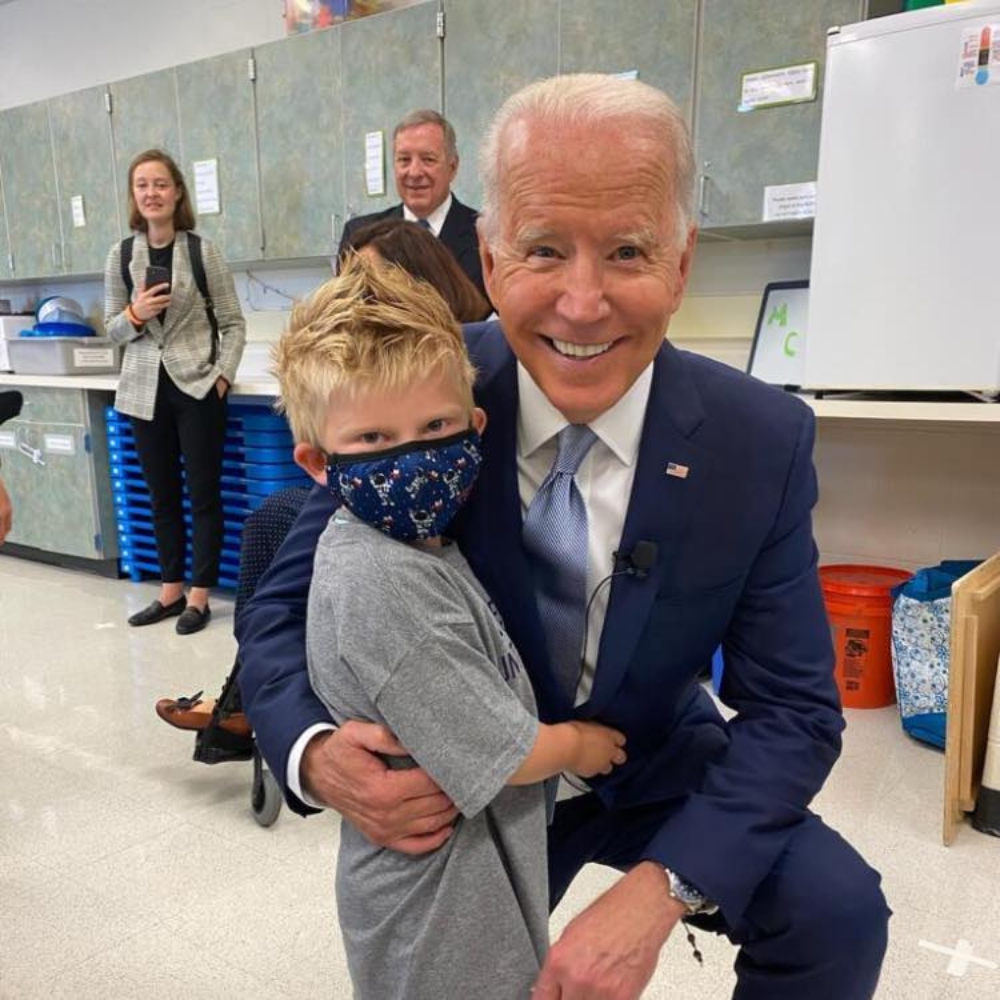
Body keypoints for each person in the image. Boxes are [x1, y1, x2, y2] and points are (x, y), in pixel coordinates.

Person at [238, 74, 891, 1000]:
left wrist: (665, 886)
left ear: (682, 262)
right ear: (493, 260)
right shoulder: (421, 395)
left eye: (628, 251)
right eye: (545, 250)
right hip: (465, 778)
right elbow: (280, 602)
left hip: (645, 752)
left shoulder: (761, 441)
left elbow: (795, 712)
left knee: (836, 909)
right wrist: (310, 752)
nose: (583, 306)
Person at [275, 254, 626, 998]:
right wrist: (578, 746)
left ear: (476, 425)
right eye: (373, 441)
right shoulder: (382, 581)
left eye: (436, 427)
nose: (413, 458)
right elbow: (502, 753)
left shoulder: (416, 544)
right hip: (439, 901)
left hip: (480, 872)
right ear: (316, 462)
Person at [154, 216, 489, 734]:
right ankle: (242, 701)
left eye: (371, 287)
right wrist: (304, 741)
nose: (355, 302)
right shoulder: (357, 419)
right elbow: (278, 603)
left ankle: (239, 702)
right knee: (275, 521)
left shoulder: (461, 372)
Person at [104, 149, 246, 635]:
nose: (151, 193)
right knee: (161, 495)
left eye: (160, 184)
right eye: (142, 185)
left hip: (197, 387)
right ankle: (170, 592)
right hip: (144, 390)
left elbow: (232, 322)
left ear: (177, 191)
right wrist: (136, 314)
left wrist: (222, 376)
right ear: (134, 195)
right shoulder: (121, 255)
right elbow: (112, 330)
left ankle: (200, 598)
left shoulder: (202, 251)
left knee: (203, 495)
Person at [337, 109, 491, 311]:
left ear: (453, 167)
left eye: (428, 159)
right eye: (404, 160)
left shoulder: (485, 234)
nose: (414, 172)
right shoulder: (360, 236)